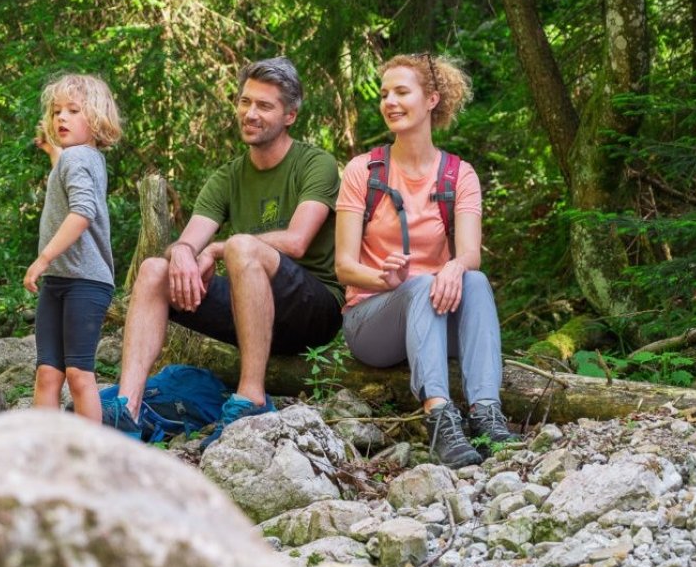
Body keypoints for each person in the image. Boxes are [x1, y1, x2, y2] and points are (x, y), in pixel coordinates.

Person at [112, 56, 344, 443]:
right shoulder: (227, 176)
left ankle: (251, 396)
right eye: (245, 102)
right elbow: (187, 241)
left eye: (264, 106)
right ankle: (128, 408)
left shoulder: (315, 163)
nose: (250, 113)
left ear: (289, 115)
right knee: (155, 269)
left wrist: (216, 250)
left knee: (239, 246)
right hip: (250, 310)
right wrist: (184, 253)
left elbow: (298, 240)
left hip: (313, 310)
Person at [333, 52, 517, 468]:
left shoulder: (459, 174)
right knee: (418, 283)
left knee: (475, 280)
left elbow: (469, 253)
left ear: (432, 99)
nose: (389, 102)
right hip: (372, 321)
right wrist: (386, 279)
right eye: (384, 94)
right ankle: (439, 417)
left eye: (402, 92)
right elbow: (344, 266)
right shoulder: (364, 171)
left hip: (435, 317)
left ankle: (487, 414)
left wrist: (453, 266)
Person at [24, 73, 121, 422]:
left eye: (73, 110)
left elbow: (82, 212)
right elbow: (66, 185)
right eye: (56, 111)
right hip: (60, 280)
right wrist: (53, 152)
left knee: (79, 374)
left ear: (96, 119)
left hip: (84, 281)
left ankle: (86, 462)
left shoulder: (77, 159)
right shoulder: (77, 158)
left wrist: (43, 257)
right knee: (48, 372)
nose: (61, 118)